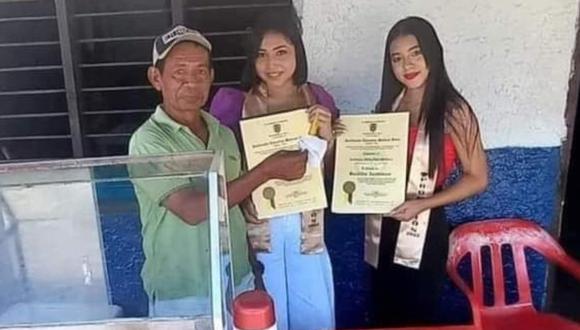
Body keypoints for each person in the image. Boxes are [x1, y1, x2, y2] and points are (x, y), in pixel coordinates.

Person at [128, 25, 308, 318]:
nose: (191, 82)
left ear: (211, 77)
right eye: (179, 72)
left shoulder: (222, 133)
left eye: (200, 72)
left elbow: (236, 204)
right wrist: (266, 170)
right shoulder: (148, 141)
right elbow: (193, 210)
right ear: (156, 78)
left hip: (238, 280)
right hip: (183, 293)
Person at [210, 11, 338, 330]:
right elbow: (224, 173)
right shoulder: (231, 105)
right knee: (263, 319)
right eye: (261, 55)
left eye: (281, 52)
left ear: (298, 52)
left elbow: (331, 175)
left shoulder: (318, 99)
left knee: (315, 317)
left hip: (307, 236)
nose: (272, 64)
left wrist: (329, 140)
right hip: (256, 239)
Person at [364, 17, 489, 326]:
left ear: (432, 53)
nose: (407, 64)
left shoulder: (453, 110)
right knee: (383, 313)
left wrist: (423, 203)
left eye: (415, 53)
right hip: (384, 227)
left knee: (416, 317)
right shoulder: (387, 106)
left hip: (425, 227)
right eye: (397, 58)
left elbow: (478, 177)